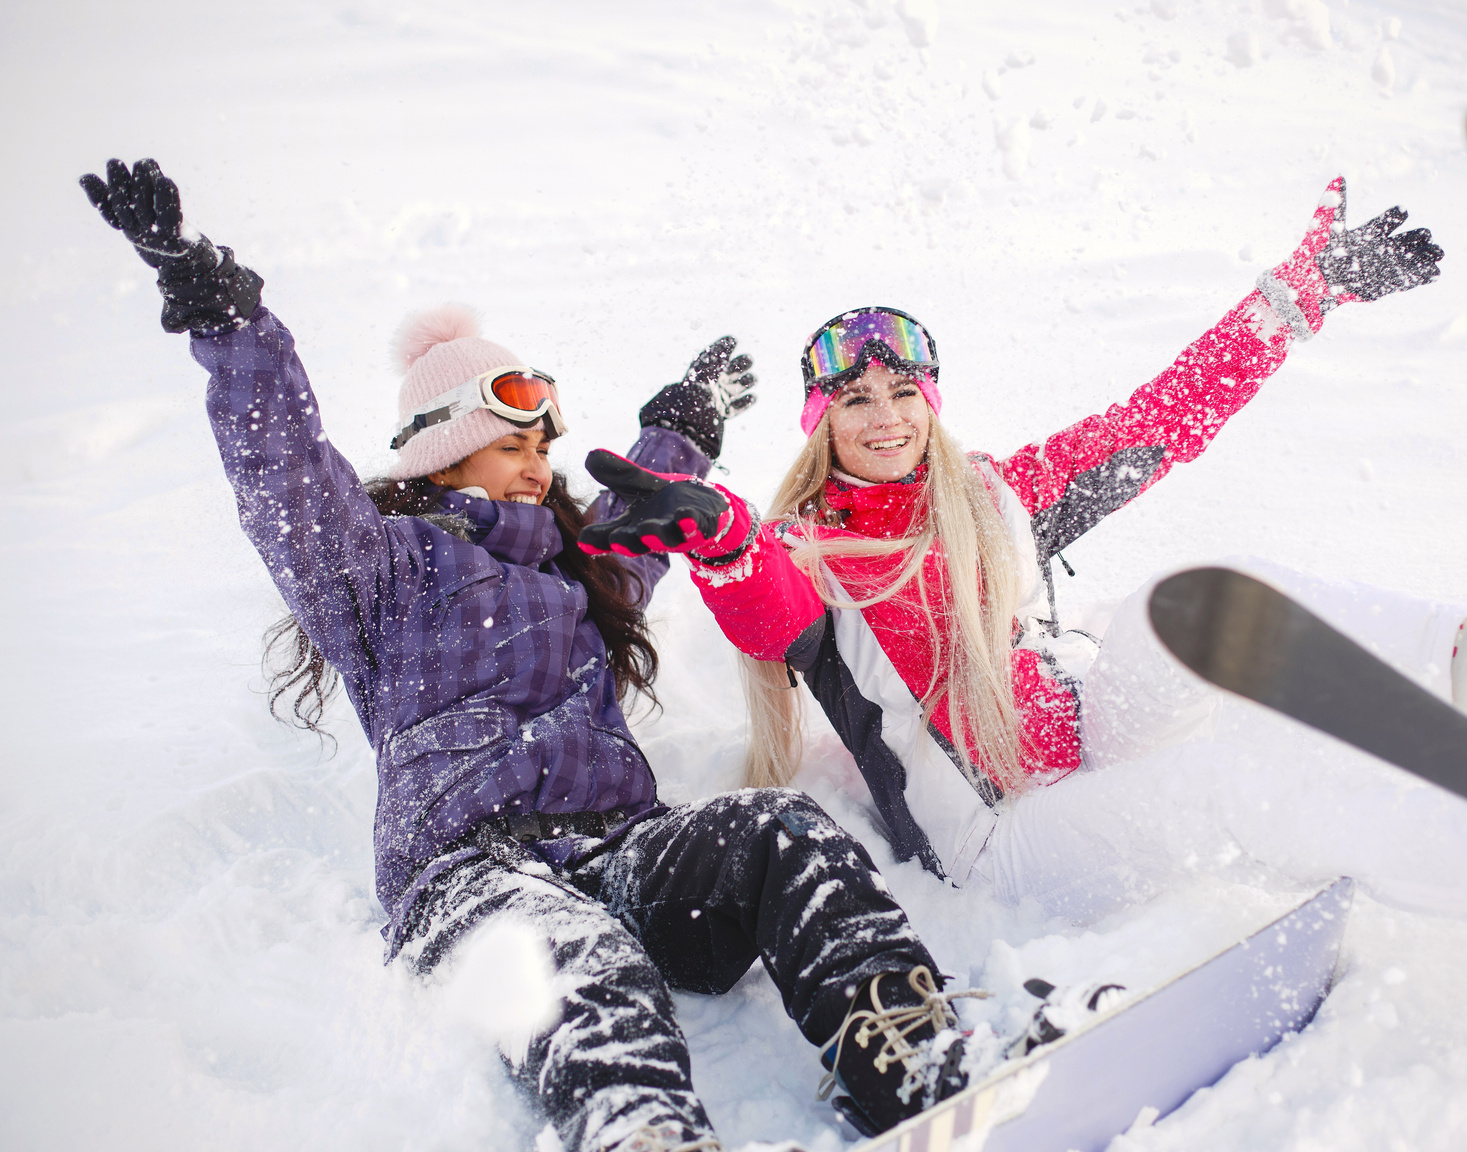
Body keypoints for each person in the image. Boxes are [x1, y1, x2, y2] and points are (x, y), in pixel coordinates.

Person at [80, 158, 981, 1152]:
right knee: (584, 970)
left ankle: (911, 1056)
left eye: (544, 442)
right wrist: (222, 312)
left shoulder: (575, 569)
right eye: (513, 439)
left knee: (783, 834)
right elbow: (284, 475)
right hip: (467, 875)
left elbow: (642, 514)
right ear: (443, 450)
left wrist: (684, 420)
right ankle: (641, 1133)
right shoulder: (376, 568)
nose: (539, 460)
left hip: (620, 848)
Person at [578, 177, 1467, 932]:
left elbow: (1160, 421)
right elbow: (761, 607)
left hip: (1086, 740)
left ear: (930, 401)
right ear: (821, 420)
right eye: (855, 399)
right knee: (1243, 780)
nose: (884, 417)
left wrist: (1299, 298)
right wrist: (717, 535)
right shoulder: (801, 554)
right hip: (999, 844)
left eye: (903, 391)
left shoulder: (992, 497)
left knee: (1189, 603)